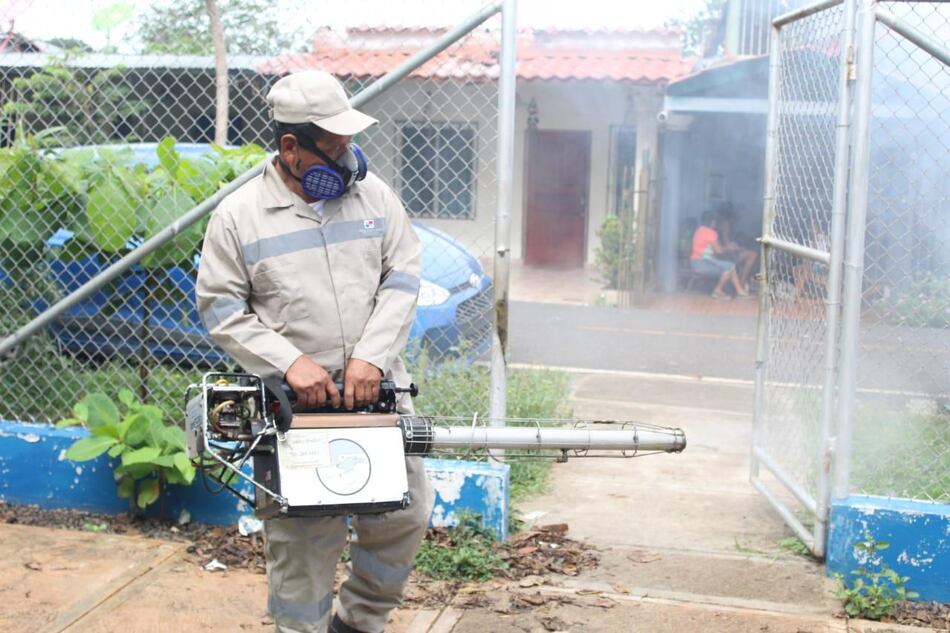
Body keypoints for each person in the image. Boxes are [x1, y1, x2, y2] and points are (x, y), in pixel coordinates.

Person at [195, 70, 434, 633]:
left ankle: (358, 622)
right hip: (293, 408)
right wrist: (289, 363)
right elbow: (221, 309)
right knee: (304, 539)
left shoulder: (374, 197)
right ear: (290, 148)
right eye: (335, 147)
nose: (349, 157)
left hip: (377, 392)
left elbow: (402, 276)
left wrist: (372, 356)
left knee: (403, 515)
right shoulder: (239, 216)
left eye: (351, 142)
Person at [690, 210, 750, 299]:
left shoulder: (699, 231)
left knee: (730, 266)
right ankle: (718, 290)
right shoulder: (710, 233)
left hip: (695, 263)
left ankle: (739, 291)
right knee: (729, 267)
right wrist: (729, 247)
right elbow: (719, 251)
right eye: (715, 221)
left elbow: (709, 249)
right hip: (703, 263)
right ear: (712, 222)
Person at [715, 203, 759, 289]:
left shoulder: (720, 222)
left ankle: (743, 282)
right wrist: (739, 248)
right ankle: (742, 283)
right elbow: (728, 245)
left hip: (722, 253)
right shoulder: (725, 224)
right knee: (753, 255)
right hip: (724, 256)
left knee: (749, 252)